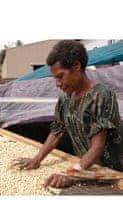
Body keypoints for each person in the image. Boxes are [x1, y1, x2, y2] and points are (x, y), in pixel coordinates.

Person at [13, 40, 123, 188]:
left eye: (60, 76)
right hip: (85, 166)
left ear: (76, 66)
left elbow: (98, 146)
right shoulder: (65, 99)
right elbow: (56, 132)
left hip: (110, 171)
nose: (57, 83)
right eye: (55, 78)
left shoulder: (101, 95)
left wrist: (71, 173)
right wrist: (37, 159)